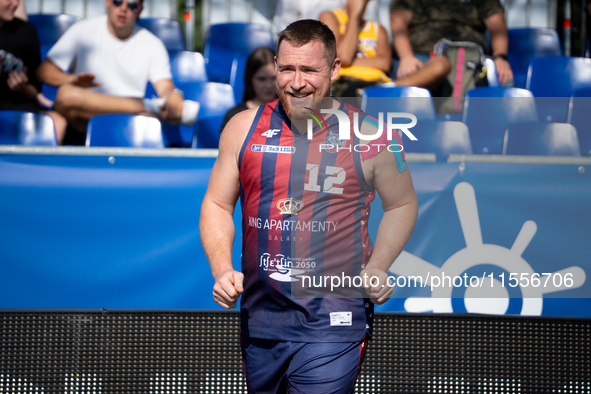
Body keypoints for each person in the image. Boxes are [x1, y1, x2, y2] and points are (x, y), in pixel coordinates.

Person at [200, 19, 418, 393]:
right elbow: (218, 204)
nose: (296, 83)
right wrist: (221, 269)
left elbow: (403, 203)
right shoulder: (241, 128)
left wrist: (379, 265)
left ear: (334, 69)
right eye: (286, 69)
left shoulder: (375, 137)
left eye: (309, 70)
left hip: (334, 321)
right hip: (261, 320)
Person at [36, 0, 198, 145]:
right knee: (67, 95)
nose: (123, 9)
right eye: (117, 2)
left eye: (132, 5)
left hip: (127, 126)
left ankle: (148, 108)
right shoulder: (82, 31)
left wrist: (173, 95)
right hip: (83, 122)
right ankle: (150, 106)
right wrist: (72, 79)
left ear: (140, 10)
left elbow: (165, 87)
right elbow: (44, 71)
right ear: (107, 2)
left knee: (148, 121)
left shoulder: (153, 44)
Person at [390, 0, 514, 86]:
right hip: (422, 57)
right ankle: (387, 93)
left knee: (505, 80)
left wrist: (500, 57)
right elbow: (398, 22)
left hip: (470, 58)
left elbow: (498, 26)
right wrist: (406, 57)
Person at [0, 0, 67, 142]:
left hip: (18, 103)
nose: (15, 3)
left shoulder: (26, 31)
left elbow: (35, 90)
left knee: (57, 122)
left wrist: (22, 89)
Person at [219, 47, 277, 132]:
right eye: (262, 79)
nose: (269, 85)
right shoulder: (235, 116)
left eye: (274, 78)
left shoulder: (290, 113)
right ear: (250, 79)